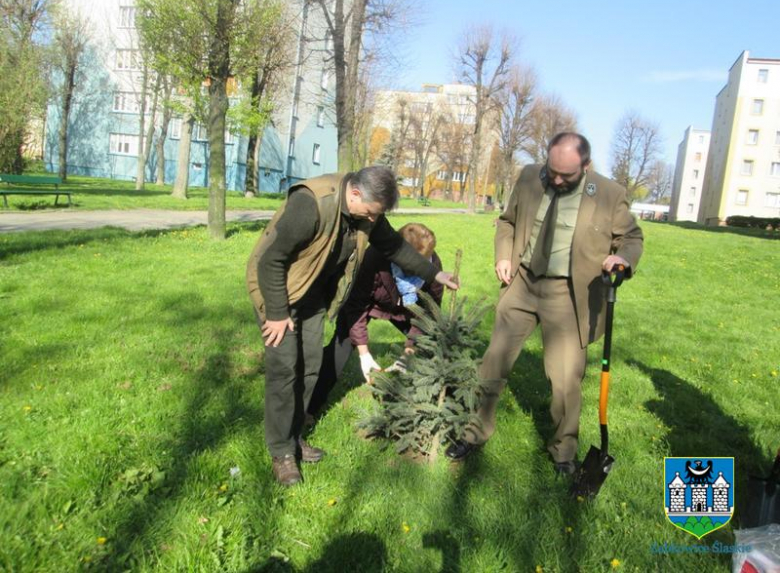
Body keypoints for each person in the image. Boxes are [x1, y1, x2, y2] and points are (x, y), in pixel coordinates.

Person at [445, 132, 644, 475]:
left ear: (586, 166)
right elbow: (507, 222)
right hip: (522, 282)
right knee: (493, 363)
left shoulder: (609, 195)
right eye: (552, 170)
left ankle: (563, 452)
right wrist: (504, 255)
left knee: (565, 379)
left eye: (565, 175)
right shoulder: (528, 177)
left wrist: (622, 260)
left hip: (568, 295)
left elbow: (631, 237)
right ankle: (473, 433)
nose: (555, 179)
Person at [246, 166, 458, 486]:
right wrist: (276, 313)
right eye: (372, 213)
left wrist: (434, 275)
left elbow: (396, 247)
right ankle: (282, 453)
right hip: (278, 290)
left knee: (311, 366)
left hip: (314, 292)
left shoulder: (365, 212)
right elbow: (271, 259)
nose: (374, 220)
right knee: (285, 368)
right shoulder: (310, 203)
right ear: (355, 194)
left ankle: (294, 436)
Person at [307, 223, 444, 419]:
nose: (416, 270)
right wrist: (363, 353)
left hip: (407, 310)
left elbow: (426, 315)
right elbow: (355, 306)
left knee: (433, 344)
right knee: (341, 347)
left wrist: (408, 353)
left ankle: (432, 407)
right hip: (370, 303)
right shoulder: (374, 258)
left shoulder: (434, 269)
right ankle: (309, 407)